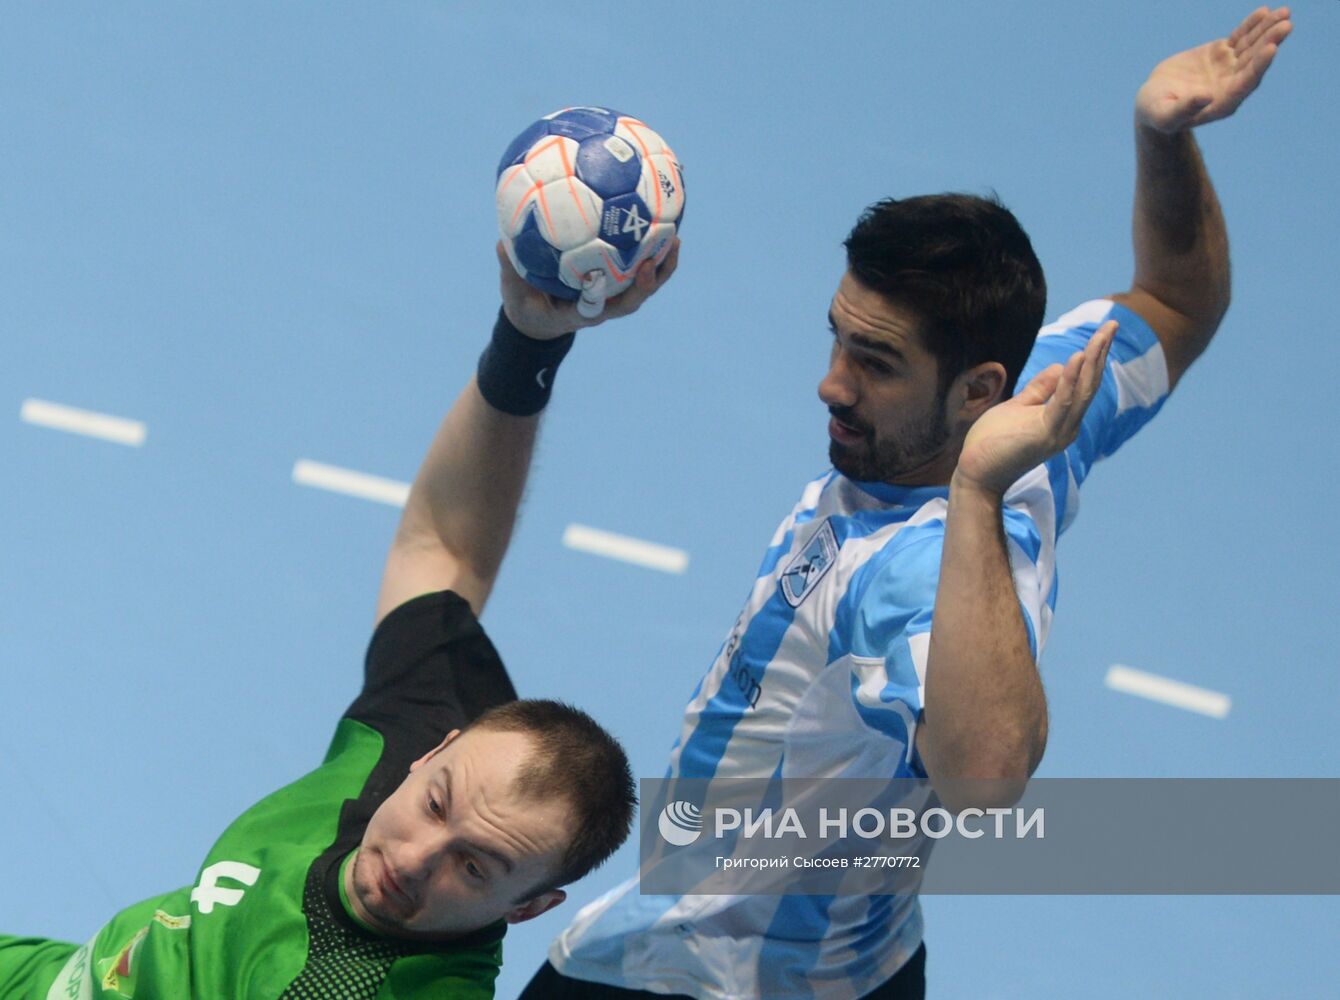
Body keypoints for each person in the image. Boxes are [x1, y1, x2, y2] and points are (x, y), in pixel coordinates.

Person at [526, 8, 1293, 999]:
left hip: (689, 976)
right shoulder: (1046, 399)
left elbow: (986, 773)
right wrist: (1162, 135)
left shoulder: (911, 568)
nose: (830, 383)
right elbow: (1179, 300)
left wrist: (972, 493)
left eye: (875, 363)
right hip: (866, 961)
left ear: (976, 391)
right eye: (839, 338)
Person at [0, 243, 679, 998]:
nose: (416, 858)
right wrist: (531, 340)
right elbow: (444, 550)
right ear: (434, 752)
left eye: (475, 867)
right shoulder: (404, 746)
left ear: (529, 909)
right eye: (435, 804)